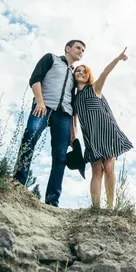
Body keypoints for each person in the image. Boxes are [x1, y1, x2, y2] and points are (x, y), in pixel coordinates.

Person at [13, 39, 86, 207]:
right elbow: (35, 79)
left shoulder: (75, 74)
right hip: (43, 108)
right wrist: (40, 102)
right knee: (29, 138)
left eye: (83, 50)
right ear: (68, 48)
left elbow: (74, 103)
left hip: (64, 116)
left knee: (60, 157)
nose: (81, 51)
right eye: (78, 48)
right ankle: (18, 183)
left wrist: (74, 130)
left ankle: (52, 200)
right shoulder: (51, 59)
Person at [72, 47, 133, 209]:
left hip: (107, 132)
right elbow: (74, 118)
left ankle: (110, 206)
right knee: (96, 170)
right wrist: (73, 135)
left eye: (84, 71)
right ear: (74, 74)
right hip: (91, 137)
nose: (81, 72)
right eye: (78, 70)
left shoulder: (95, 88)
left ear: (88, 75)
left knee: (108, 167)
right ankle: (96, 208)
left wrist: (117, 58)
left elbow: (105, 72)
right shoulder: (74, 99)